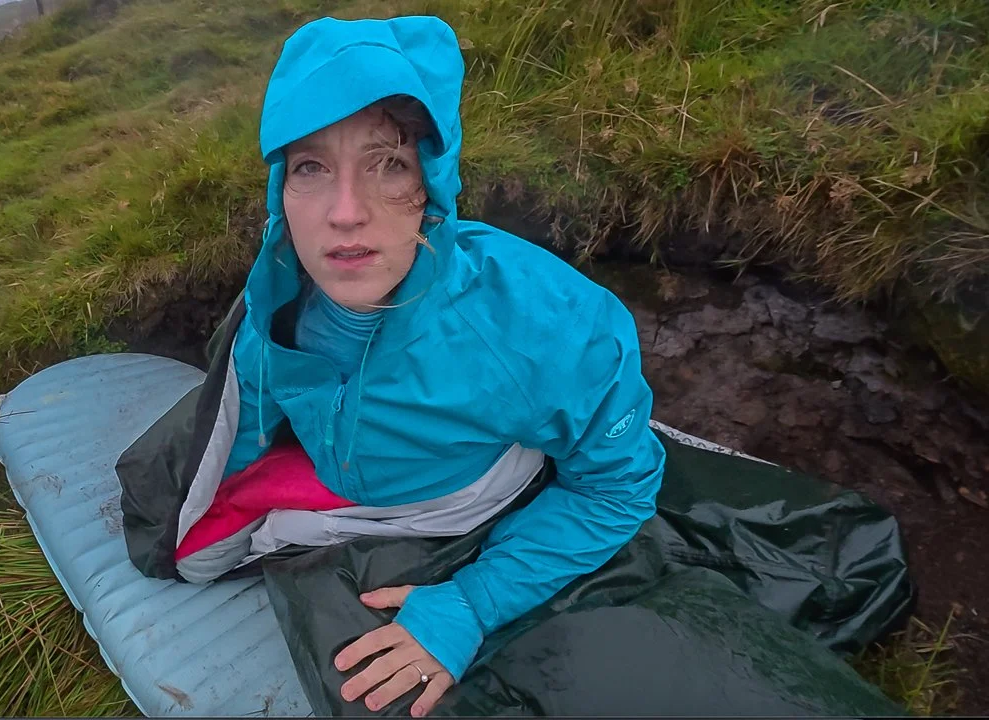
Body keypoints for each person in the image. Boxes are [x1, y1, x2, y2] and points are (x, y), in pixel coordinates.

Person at [123, 14, 665, 718]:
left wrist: (473, 601)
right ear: (280, 192)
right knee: (152, 504)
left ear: (433, 183)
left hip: (460, 499)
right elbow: (245, 407)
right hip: (328, 475)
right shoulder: (275, 300)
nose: (346, 214)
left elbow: (617, 486)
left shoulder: (550, 327)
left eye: (390, 164)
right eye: (311, 167)